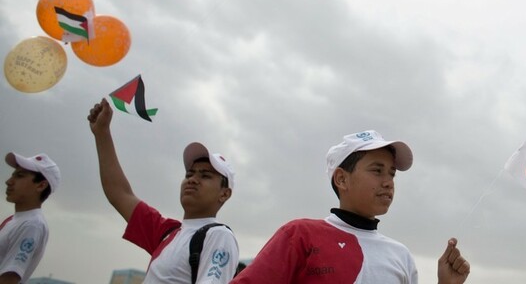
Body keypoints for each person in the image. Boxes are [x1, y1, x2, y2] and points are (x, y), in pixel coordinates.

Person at [233, 130, 470, 283]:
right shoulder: (299, 235)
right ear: (342, 179)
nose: (388, 182)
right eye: (377, 171)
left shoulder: (401, 256)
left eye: (392, 173)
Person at [88, 99, 239, 284]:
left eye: (205, 175)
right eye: (189, 174)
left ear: (224, 194)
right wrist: (102, 133)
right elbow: (119, 194)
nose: (192, 179)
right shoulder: (168, 233)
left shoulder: (219, 236)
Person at [1, 152, 60, 284]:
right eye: (13, 175)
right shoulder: (15, 220)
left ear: (41, 185)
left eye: (19, 176)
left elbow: (9, 278)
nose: (9, 181)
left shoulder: (32, 224)